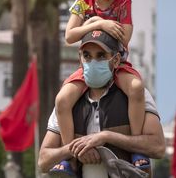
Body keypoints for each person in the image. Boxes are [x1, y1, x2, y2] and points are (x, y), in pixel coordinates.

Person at [55, 0, 147, 172]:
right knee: (62, 100)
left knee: (136, 88)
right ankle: (69, 155)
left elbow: (125, 37)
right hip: (89, 65)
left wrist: (99, 24)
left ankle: (137, 149)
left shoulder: (124, 3)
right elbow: (69, 35)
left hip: (117, 64)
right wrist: (98, 22)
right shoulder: (83, 2)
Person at [39, 30, 165, 177]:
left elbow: (158, 147)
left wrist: (106, 136)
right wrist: (77, 148)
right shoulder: (67, 101)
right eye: (87, 56)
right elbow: (43, 160)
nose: (93, 62)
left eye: (101, 56)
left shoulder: (135, 93)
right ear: (80, 59)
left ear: (116, 60)